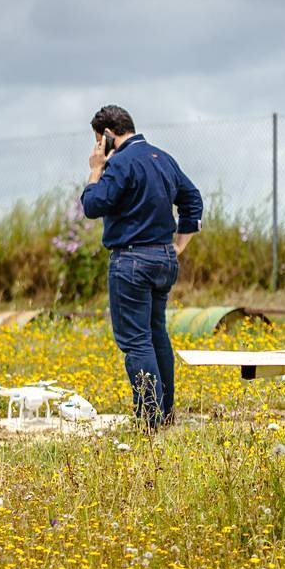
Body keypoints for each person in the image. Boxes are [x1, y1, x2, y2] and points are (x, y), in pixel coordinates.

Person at [81, 105, 202, 429]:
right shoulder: (162, 158)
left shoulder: (119, 163)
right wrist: (178, 246)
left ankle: (150, 419)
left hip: (131, 260)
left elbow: (92, 205)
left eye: (98, 141)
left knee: (136, 341)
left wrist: (96, 169)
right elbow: (192, 199)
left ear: (107, 135)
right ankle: (165, 414)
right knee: (155, 334)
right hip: (163, 259)